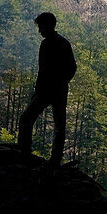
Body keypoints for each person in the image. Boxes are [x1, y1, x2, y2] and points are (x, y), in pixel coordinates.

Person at [18, 12, 77, 169]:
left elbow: (70, 68)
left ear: (48, 26)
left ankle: (26, 155)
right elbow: (45, 71)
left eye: (40, 27)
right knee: (58, 126)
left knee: (27, 119)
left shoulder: (56, 45)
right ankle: (52, 160)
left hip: (51, 91)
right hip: (52, 91)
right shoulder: (58, 44)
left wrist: (57, 83)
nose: (39, 31)